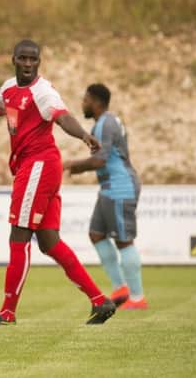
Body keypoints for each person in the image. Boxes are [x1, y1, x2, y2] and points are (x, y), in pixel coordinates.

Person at [0, 39, 116, 325]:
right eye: (23, 59)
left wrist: (83, 135)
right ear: (14, 59)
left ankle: (7, 312)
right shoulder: (8, 88)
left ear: (39, 63)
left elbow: (63, 117)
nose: (29, 64)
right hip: (39, 168)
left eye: (34, 59)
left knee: (18, 236)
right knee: (49, 242)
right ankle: (99, 300)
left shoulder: (43, 92)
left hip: (38, 166)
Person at [63, 83, 146, 310]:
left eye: (85, 99)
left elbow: (100, 160)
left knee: (123, 240)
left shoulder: (106, 124)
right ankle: (121, 288)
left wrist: (71, 165)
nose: (83, 104)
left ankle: (137, 298)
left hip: (120, 187)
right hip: (109, 188)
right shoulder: (104, 122)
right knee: (96, 234)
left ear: (96, 101)